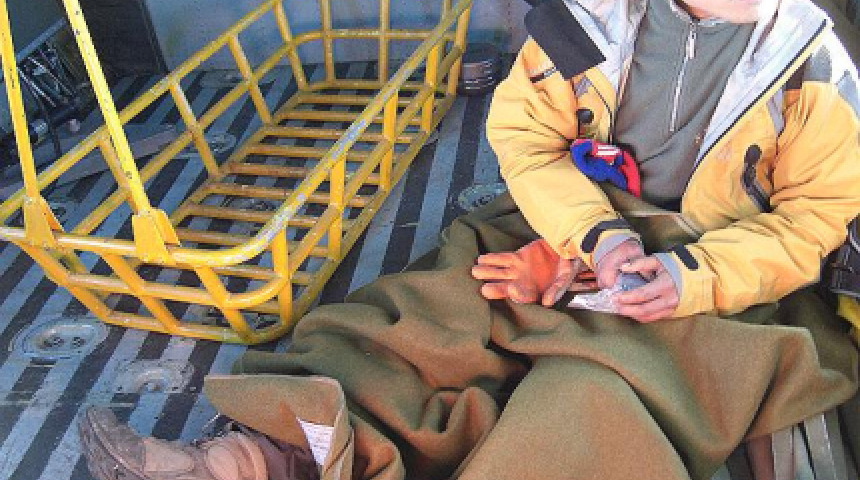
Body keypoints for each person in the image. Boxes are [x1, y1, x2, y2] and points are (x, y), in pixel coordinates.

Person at [78, 1, 860, 480]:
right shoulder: (594, 16)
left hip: (711, 288)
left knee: (588, 409)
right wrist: (589, 241)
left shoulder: (814, 63)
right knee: (427, 310)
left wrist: (689, 275)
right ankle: (248, 461)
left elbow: (813, 221)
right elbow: (525, 134)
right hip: (574, 224)